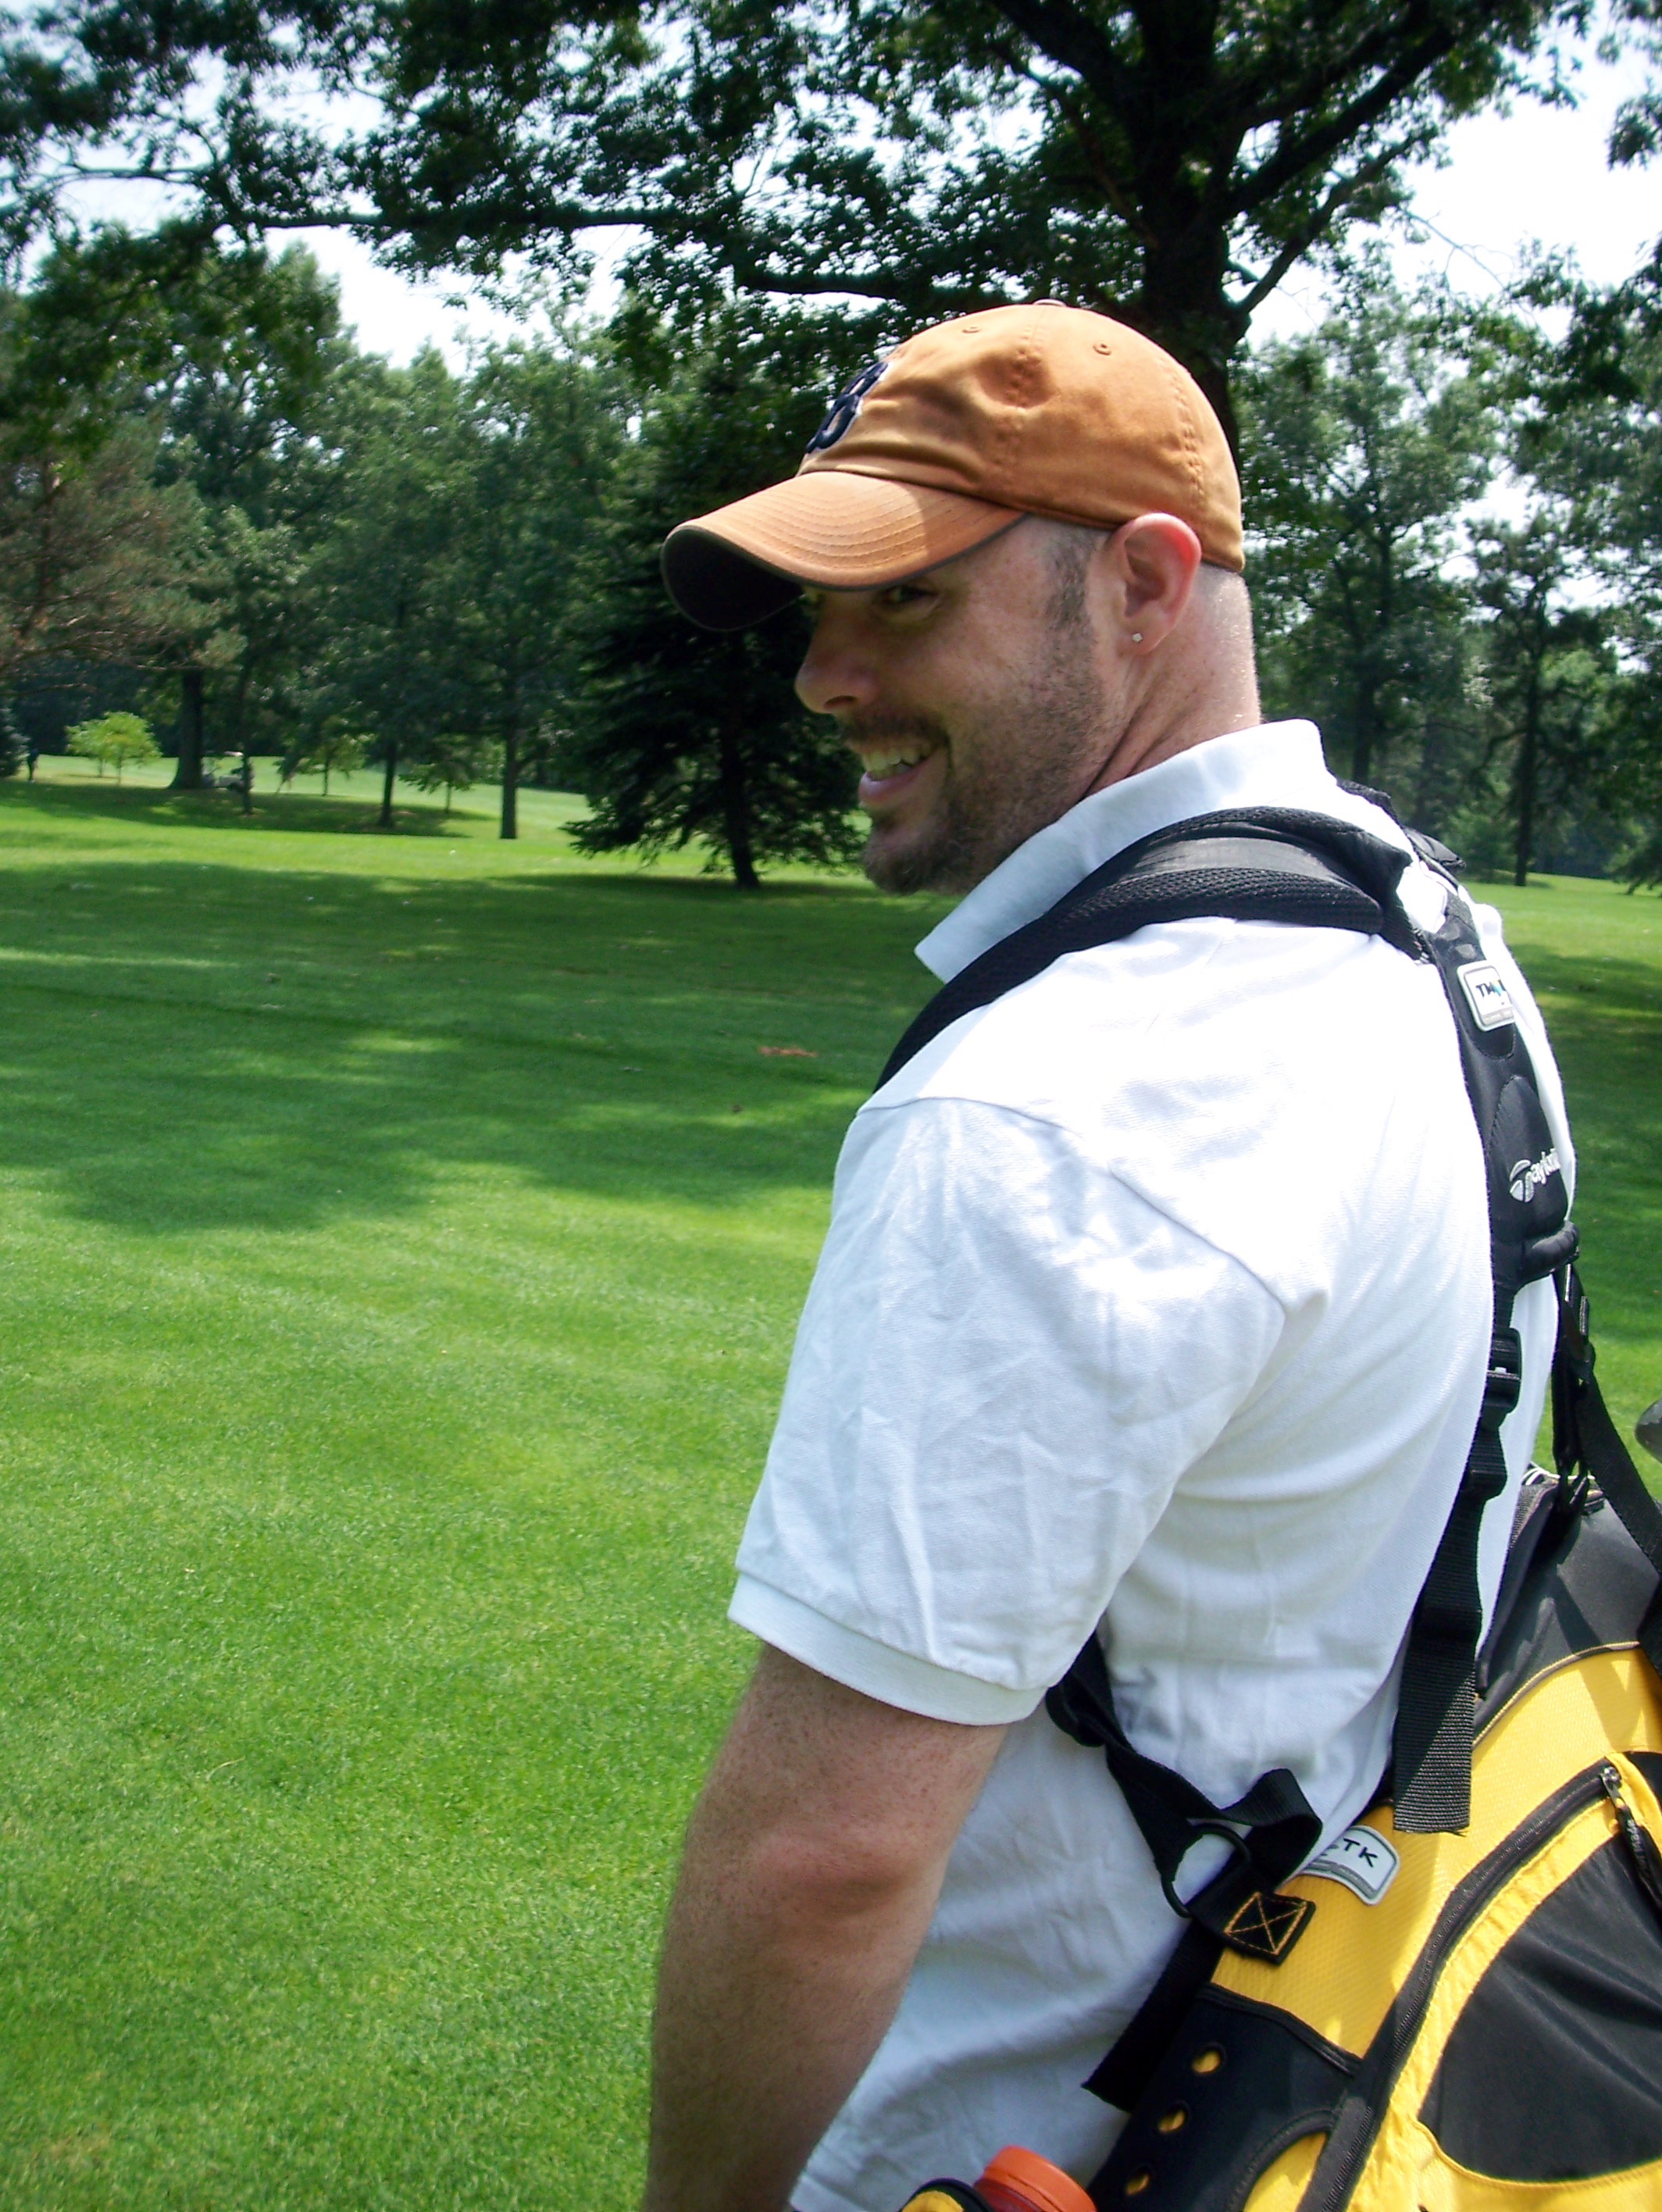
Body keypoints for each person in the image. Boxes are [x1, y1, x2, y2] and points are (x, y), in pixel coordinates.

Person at [644, 303, 1572, 2212]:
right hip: (1312, 2062)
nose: (821, 677)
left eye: (902, 603)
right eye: (818, 613)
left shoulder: (1047, 1111)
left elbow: (824, 1861)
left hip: (1014, 2151)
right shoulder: (1417, 927)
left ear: (1145, 585)